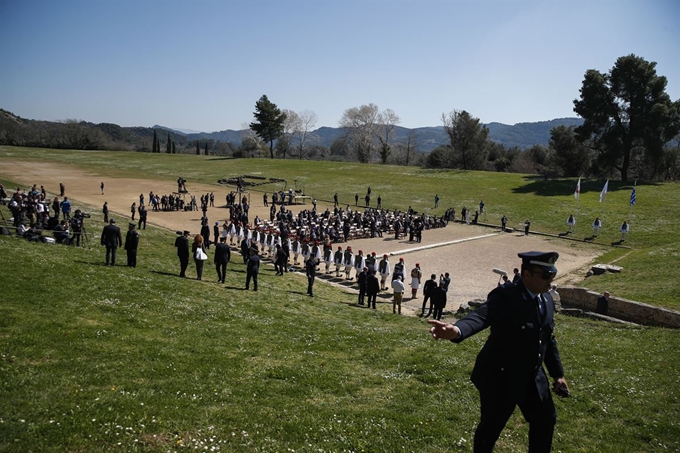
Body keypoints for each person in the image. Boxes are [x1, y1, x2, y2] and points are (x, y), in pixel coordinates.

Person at [428, 251, 569, 453]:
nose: (551, 281)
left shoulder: (545, 300)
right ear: (527, 275)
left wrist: (558, 374)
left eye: (552, 276)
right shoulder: (506, 296)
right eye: (546, 276)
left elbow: (547, 338)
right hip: (501, 377)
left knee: (546, 420)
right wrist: (458, 330)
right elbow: (482, 315)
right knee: (490, 429)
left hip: (532, 377)